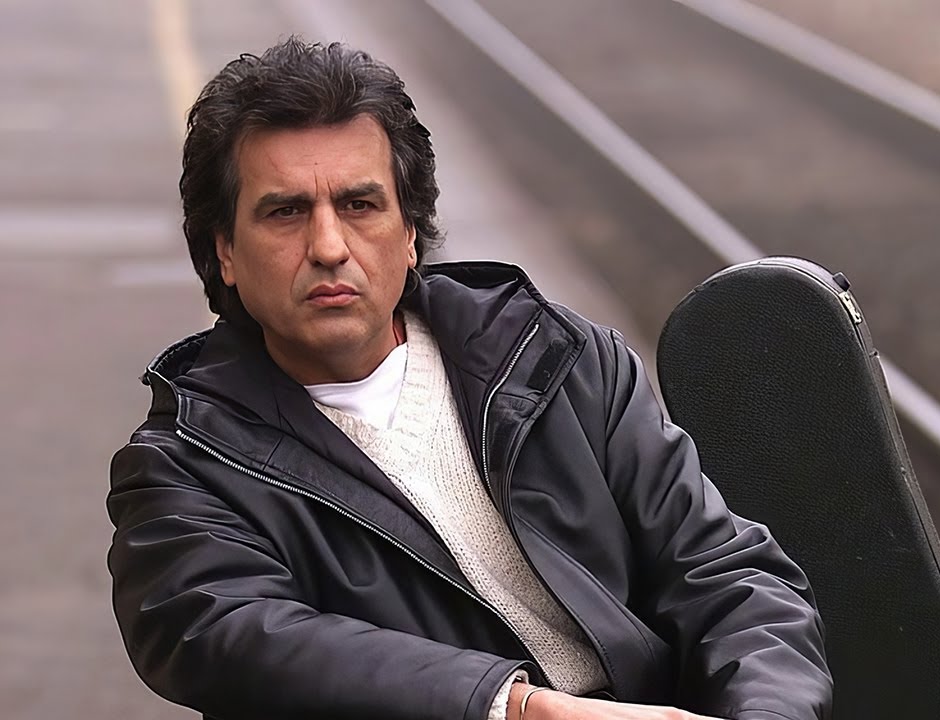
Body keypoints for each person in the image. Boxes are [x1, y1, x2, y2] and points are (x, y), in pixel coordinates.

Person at [106, 37, 831, 720]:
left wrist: (768, 711)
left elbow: (726, 574)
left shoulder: (559, 360)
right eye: (286, 212)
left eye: (359, 205)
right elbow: (234, 634)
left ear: (410, 233)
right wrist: (515, 706)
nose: (328, 246)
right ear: (225, 252)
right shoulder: (184, 468)